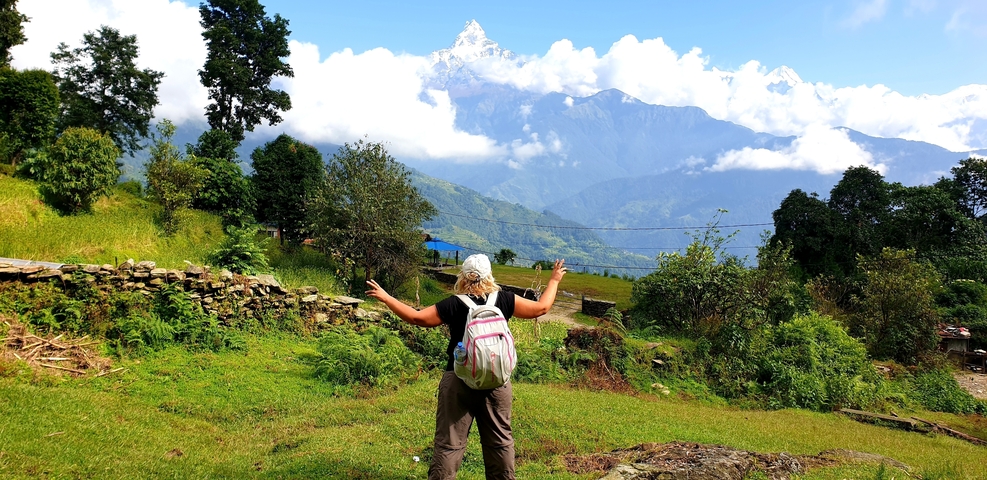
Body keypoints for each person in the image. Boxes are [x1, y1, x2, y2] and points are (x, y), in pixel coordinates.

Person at [365, 254, 568, 480]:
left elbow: (418, 318)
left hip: (458, 379)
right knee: (500, 442)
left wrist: (386, 297)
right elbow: (541, 308)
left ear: (463, 276)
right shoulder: (505, 300)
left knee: (449, 444)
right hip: (496, 382)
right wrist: (554, 280)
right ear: (489, 275)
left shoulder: (454, 304)